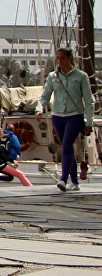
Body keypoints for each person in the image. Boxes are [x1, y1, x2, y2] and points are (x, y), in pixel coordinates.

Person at [39, 46, 94, 191]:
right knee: (67, 147)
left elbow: (88, 101)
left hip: (74, 115)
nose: (60, 61)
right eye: (58, 58)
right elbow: (45, 96)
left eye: (62, 57)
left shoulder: (81, 76)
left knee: (66, 146)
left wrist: (89, 121)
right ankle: (74, 182)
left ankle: (63, 180)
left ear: (70, 58)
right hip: (57, 115)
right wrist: (39, 109)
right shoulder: (53, 76)